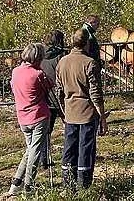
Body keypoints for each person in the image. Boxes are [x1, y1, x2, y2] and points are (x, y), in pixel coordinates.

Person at [56, 28, 107, 189]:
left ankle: (68, 183)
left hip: (70, 112)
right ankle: (83, 185)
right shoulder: (89, 63)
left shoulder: (62, 62)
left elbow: (59, 91)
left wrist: (63, 111)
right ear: (86, 44)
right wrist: (102, 116)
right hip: (87, 113)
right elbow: (95, 93)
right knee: (86, 148)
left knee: (69, 148)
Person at [8, 43, 52, 196]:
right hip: (38, 116)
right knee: (35, 151)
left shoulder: (15, 71)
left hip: (22, 117)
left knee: (30, 149)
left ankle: (16, 183)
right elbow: (49, 86)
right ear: (38, 58)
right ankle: (29, 185)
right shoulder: (37, 74)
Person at [39, 31, 67, 169]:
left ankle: (44, 159)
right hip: (60, 96)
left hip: (45, 97)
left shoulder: (39, 55)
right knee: (70, 127)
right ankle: (69, 157)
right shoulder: (61, 56)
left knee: (46, 131)